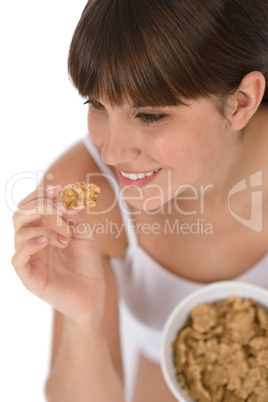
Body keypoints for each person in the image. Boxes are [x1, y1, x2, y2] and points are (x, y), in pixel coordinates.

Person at [12, 0, 268, 401]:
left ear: (241, 102)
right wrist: (82, 318)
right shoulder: (82, 193)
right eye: (96, 104)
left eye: (149, 115)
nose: (111, 153)